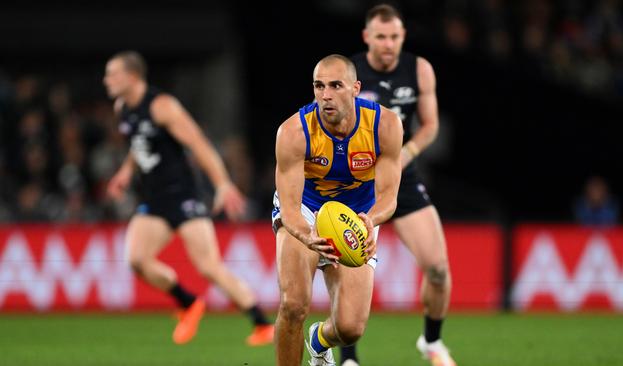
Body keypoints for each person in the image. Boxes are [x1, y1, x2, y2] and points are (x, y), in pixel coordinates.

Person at [103, 51, 274, 346]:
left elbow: (199, 144)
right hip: (155, 200)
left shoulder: (162, 106)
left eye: (112, 74)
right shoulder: (123, 108)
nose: (106, 80)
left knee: (208, 266)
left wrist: (222, 184)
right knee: (136, 259)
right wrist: (125, 172)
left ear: (132, 77)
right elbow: (138, 142)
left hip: (183, 196)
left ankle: (261, 323)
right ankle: (188, 303)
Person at [341, 5, 457, 366]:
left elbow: (430, 125)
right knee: (349, 269)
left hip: (402, 178)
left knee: (438, 268)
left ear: (403, 36)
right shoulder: (350, 72)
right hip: (354, 181)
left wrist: (407, 153)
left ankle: (432, 343)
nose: (388, 44)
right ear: (367, 38)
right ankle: (348, 357)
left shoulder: (419, 69)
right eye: (380, 37)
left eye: (394, 36)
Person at [273, 54, 403, 366]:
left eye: (335, 85)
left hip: (359, 214)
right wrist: (307, 236)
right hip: (307, 210)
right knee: (293, 305)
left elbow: (388, 196)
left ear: (356, 88)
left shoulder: (384, 126)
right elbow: (290, 209)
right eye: (319, 86)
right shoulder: (293, 132)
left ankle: (319, 340)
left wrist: (370, 220)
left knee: (350, 328)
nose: (326, 95)